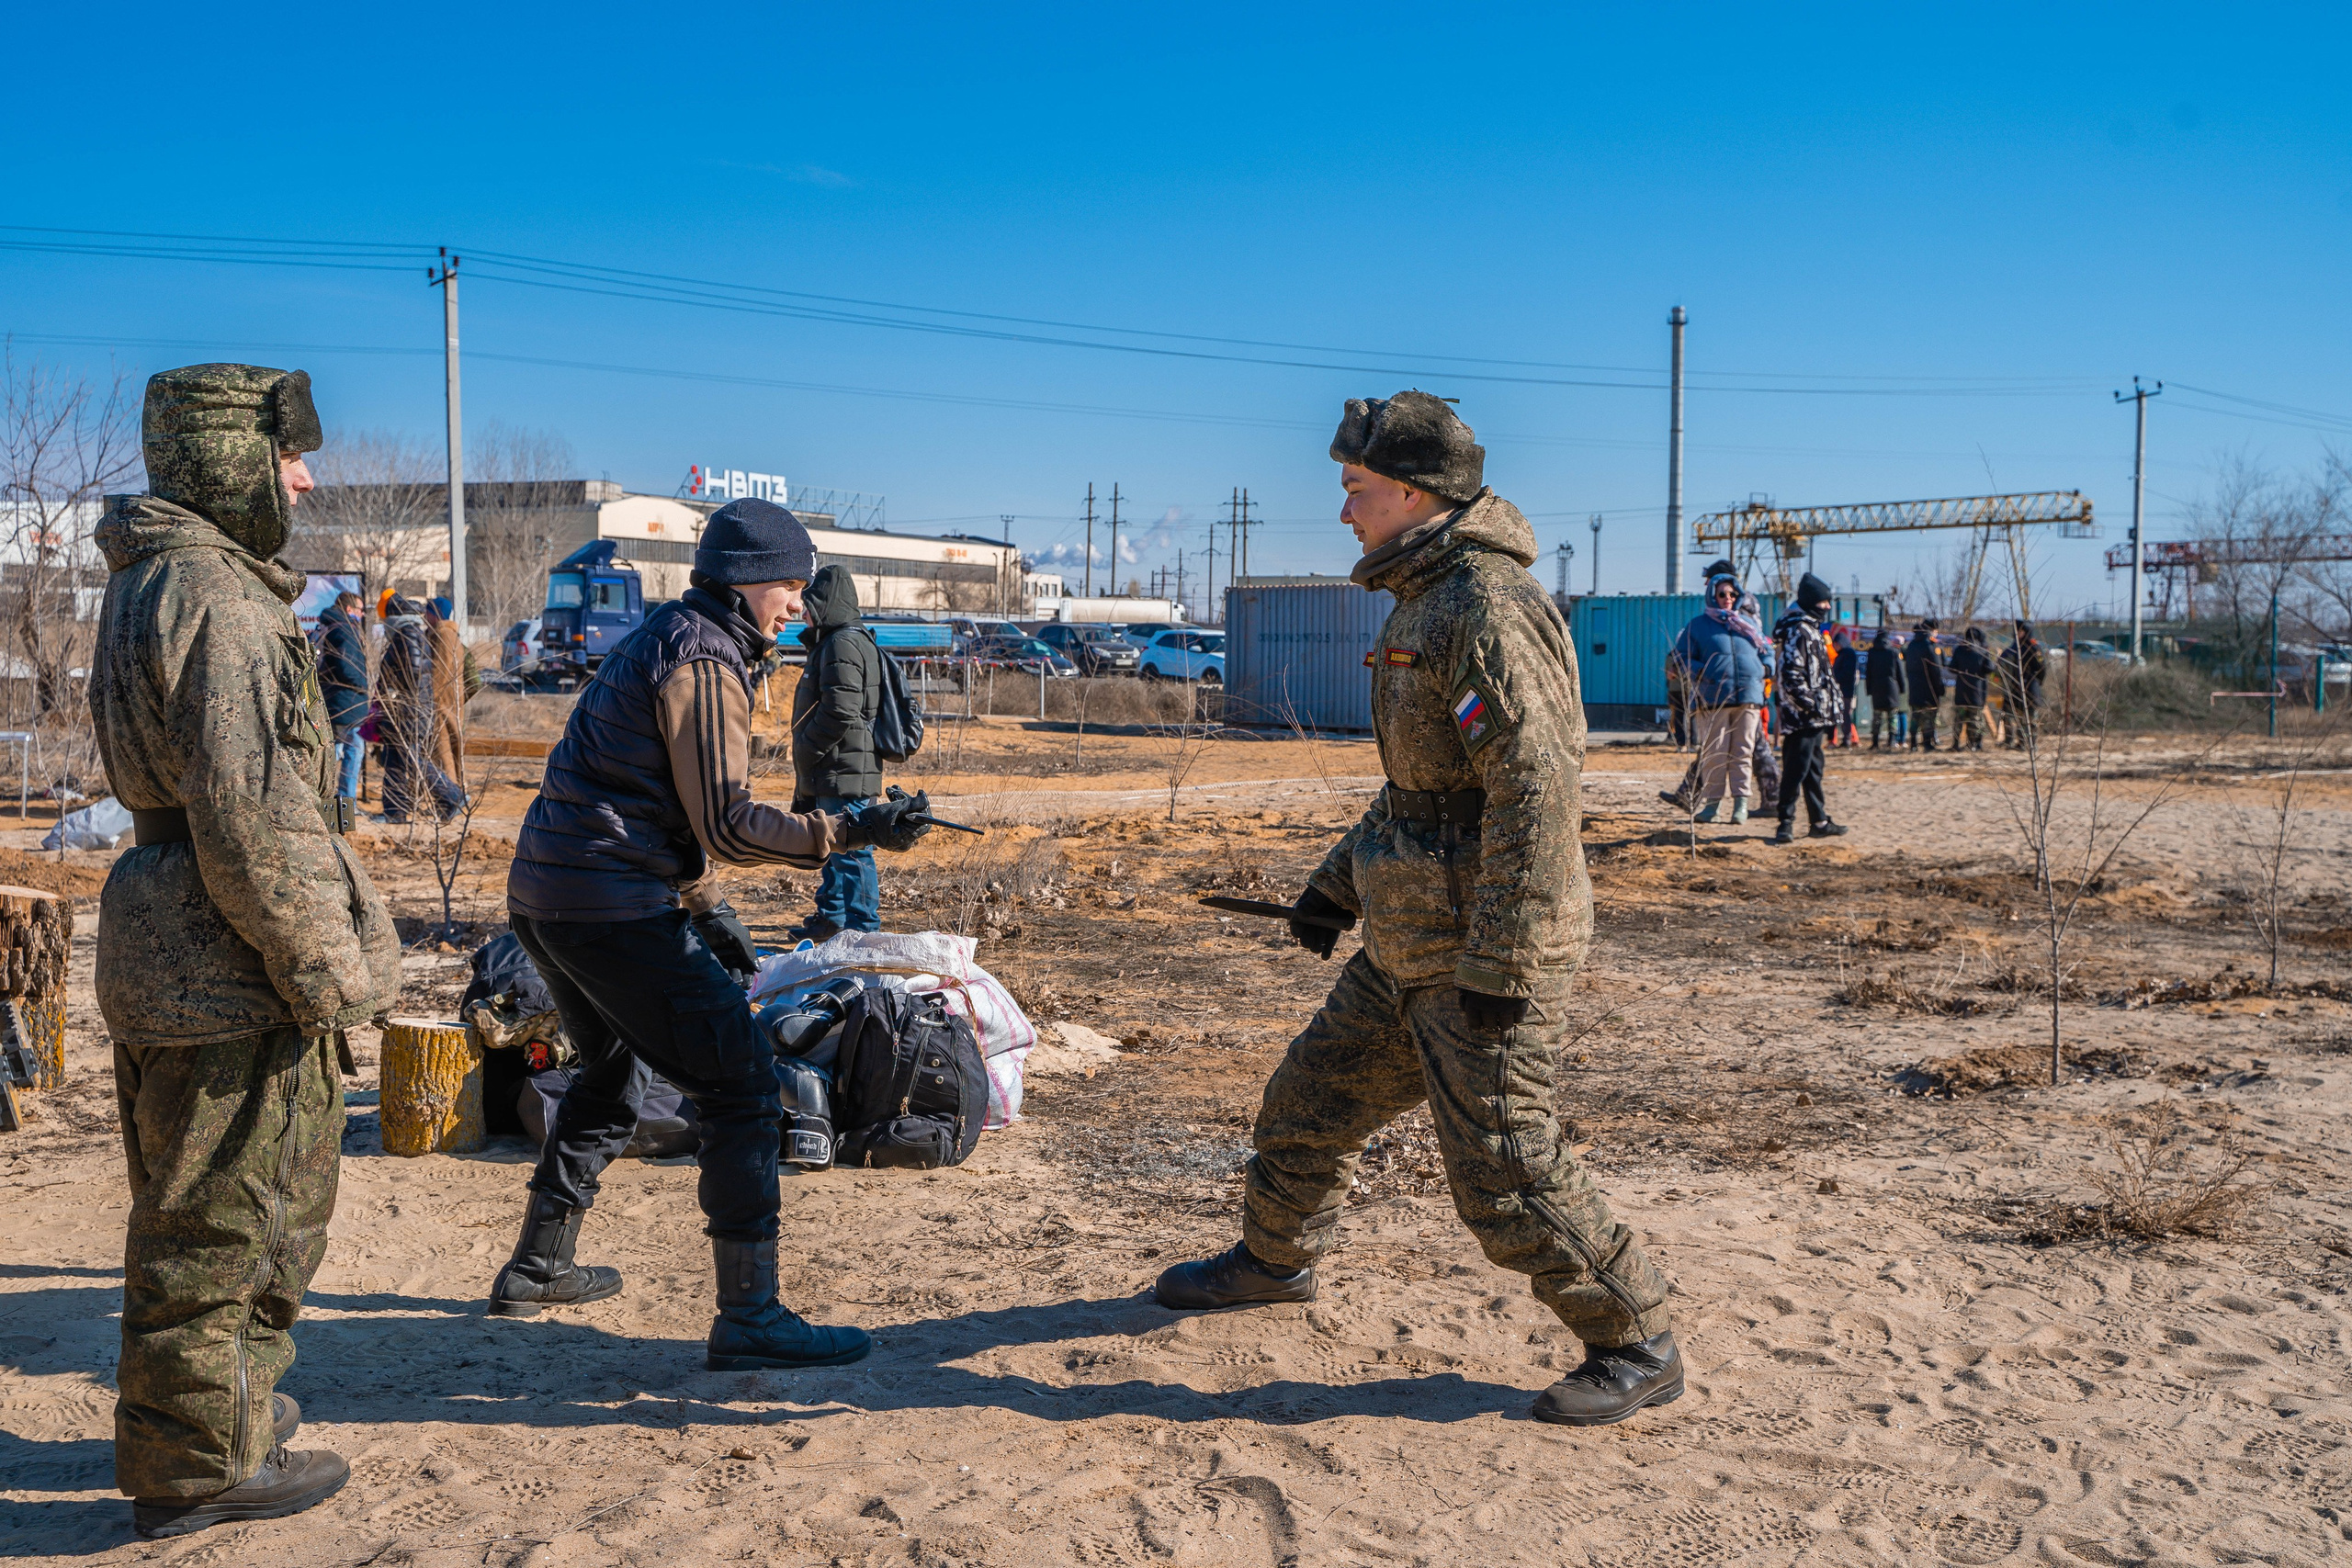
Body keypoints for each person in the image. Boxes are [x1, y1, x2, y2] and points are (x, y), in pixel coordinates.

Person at [1153, 392, 1680, 1427]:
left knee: (1506, 1172)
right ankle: (1274, 1264)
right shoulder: (1421, 598)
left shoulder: (1483, 604)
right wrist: (1332, 890)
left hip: (1477, 955)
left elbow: (1536, 791)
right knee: (1305, 1107)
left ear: (1414, 493)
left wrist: (1504, 965)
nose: (1344, 512)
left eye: (1356, 491)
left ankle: (1635, 1339)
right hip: (1406, 940)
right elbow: (1420, 798)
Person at [494, 496, 933, 1369]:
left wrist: (705, 906)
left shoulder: (674, 635)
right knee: (740, 1085)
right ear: (750, 580)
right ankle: (751, 1317)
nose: (799, 607)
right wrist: (850, 830)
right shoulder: (703, 659)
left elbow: (645, 802)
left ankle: (537, 1266)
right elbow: (730, 822)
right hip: (607, 908)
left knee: (613, 1070)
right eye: (792, 588)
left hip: (552, 898)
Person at [89, 364, 402, 1538]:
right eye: (288, 457)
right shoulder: (217, 598)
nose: (305, 477)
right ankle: (197, 1470)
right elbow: (255, 817)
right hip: (224, 955)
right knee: (236, 1214)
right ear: (236, 462)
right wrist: (332, 974)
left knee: (198, 1206)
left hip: (166, 933)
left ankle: (219, 1421)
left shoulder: (150, 578)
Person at [789, 563, 884, 942]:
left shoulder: (843, 642)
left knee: (854, 849)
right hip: (838, 764)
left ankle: (863, 931)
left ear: (827, 604)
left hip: (845, 765)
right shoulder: (835, 640)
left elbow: (841, 708)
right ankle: (832, 919)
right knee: (833, 842)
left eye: (810, 604)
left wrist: (808, 747)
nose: (804, 612)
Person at [1671, 572, 1770, 823]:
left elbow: (1766, 650)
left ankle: (1741, 805)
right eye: (1722, 594)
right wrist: (1702, 672)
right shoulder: (1699, 625)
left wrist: (1766, 669)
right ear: (1712, 596)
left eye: (1733, 594)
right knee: (1715, 753)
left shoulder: (1748, 624)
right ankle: (1712, 806)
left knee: (1742, 752)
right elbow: (1681, 657)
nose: (1728, 598)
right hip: (1712, 699)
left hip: (1748, 696)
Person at [1770, 574, 1850, 845]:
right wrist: (1810, 705)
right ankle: (1786, 822)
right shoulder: (1799, 631)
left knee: (1814, 769)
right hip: (1803, 717)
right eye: (1822, 601)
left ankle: (1819, 821)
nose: (1827, 606)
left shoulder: (1812, 630)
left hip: (1815, 717)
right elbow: (1790, 674)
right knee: (1796, 769)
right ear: (1809, 603)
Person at [375, 593, 465, 823]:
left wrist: (397, 694)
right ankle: (394, 813)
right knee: (395, 759)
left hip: (410, 711)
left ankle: (453, 796)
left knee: (412, 758)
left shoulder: (408, 635)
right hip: (404, 711)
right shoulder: (408, 634)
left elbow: (415, 673)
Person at [315, 589, 369, 801]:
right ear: (349, 609)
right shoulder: (346, 629)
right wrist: (363, 684)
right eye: (360, 610)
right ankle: (346, 802)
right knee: (352, 752)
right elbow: (348, 667)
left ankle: (330, 799)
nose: (362, 614)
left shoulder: (328, 625)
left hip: (333, 700)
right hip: (348, 701)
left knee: (333, 752)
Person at [424, 595, 480, 800]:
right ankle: (456, 794)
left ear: (435, 614)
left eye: (427, 612)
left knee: (444, 753)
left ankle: (453, 797)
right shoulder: (447, 635)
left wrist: (433, 702)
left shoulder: (444, 637)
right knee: (450, 753)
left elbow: (440, 674)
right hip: (449, 705)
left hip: (442, 706)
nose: (424, 616)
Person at [1998, 620, 2047, 749]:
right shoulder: (2014, 647)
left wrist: (2037, 682)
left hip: (2030, 688)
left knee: (2030, 719)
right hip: (2016, 689)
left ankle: (2030, 744)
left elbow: (2041, 668)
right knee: (2018, 717)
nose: (2017, 634)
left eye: (2019, 631)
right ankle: (2020, 742)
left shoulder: (2033, 647)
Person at [1950, 626, 1996, 750]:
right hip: (1977, 691)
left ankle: (1955, 743)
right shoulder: (1982, 650)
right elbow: (1990, 668)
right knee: (1975, 719)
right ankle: (1974, 744)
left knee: (1959, 719)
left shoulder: (1959, 649)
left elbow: (1951, 668)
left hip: (1961, 691)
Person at [1905, 618, 1947, 752]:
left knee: (1915, 715)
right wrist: (1940, 687)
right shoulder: (1930, 646)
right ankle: (1927, 744)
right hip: (1929, 688)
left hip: (1914, 687)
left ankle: (1913, 743)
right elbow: (1936, 670)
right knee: (1928, 716)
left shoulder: (1911, 645)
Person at [1864, 626, 1907, 750]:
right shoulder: (1893, 651)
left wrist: (1869, 689)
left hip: (1876, 688)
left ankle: (1875, 742)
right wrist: (1902, 688)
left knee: (1877, 716)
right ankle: (1892, 740)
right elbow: (1900, 672)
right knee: (1892, 716)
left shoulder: (1872, 652)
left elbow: (1868, 672)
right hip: (1892, 688)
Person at [1829, 626, 1860, 748]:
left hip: (1845, 689)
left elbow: (1847, 672)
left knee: (1845, 714)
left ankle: (1847, 738)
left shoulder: (1847, 654)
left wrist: (1835, 677)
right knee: (1843, 714)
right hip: (1843, 689)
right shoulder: (1845, 653)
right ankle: (1846, 738)